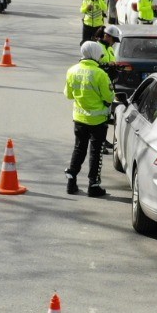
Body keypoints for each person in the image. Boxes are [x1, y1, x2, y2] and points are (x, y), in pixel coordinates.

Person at [64, 41, 115, 197]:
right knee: (96, 152)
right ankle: (93, 185)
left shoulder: (72, 71)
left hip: (79, 118)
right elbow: (109, 96)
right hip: (98, 120)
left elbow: (68, 95)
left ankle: (71, 181)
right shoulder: (100, 74)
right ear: (94, 54)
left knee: (79, 148)